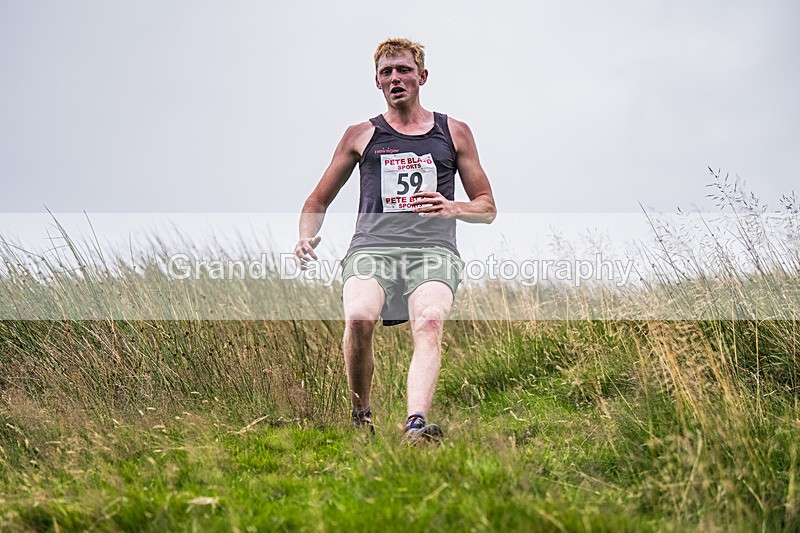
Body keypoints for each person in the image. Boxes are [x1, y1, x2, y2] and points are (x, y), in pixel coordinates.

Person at [294, 38, 496, 443]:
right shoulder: (360, 135)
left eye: (404, 70)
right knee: (358, 318)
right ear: (377, 82)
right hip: (371, 248)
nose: (395, 78)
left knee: (430, 321)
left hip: (433, 251)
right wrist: (304, 236)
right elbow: (317, 199)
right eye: (386, 72)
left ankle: (415, 426)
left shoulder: (454, 132)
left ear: (422, 76)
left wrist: (452, 206)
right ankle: (361, 418)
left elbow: (487, 206)